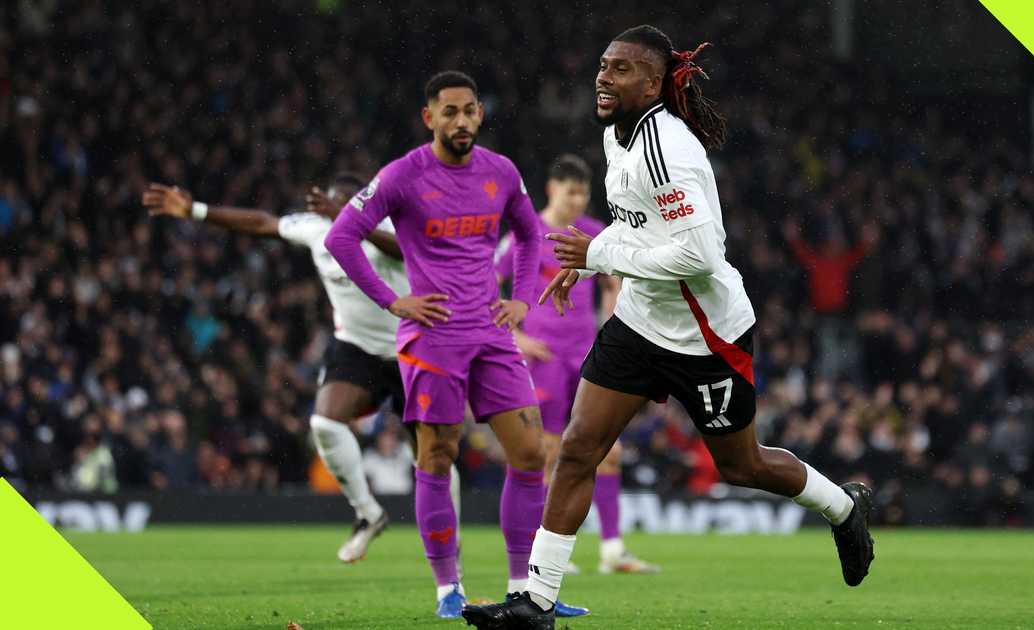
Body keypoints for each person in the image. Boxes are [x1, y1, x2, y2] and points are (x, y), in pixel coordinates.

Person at [462, 25, 874, 629]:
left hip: (706, 335)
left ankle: (844, 508)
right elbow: (638, 228)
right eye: (603, 65)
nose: (604, 76)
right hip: (639, 319)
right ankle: (537, 601)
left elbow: (700, 255)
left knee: (741, 465)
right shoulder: (615, 136)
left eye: (621, 69)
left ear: (653, 83)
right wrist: (597, 255)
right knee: (578, 448)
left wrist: (598, 257)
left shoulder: (669, 151)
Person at [324, 71, 588, 619]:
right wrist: (392, 301)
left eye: (469, 110)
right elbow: (340, 236)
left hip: (491, 333)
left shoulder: (501, 171)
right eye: (450, 112)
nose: (462, 120)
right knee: (437, 457)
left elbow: (529, 232)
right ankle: (449, 588)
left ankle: (528, 588)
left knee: (530, 455)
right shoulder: (401, 176)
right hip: (432, 338)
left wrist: (521, 299)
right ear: (430, 118)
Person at [141, 173, 462, 564]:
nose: (332, 213)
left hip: (412, 348)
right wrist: (195, 210)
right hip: (356, 347)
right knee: (324, 424)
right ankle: (368, 514)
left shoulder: (392, 226)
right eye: (329, 206)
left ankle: (450, 547)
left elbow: (413, 251)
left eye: (345, 205)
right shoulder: (317, 229)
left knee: (432, 458)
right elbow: (262, 223)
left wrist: (351, 219)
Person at [496, 154, 657, 575]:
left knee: (609, 449)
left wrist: (614, 314)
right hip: (543, 356)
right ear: (552, 188)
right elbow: (485, 283)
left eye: (584, 192)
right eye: (572, 191)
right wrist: (515, 336)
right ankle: (540, 551)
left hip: (588, 354)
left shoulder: (592, 232)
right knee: (547, 452)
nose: (579, 200)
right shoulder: (526, 231)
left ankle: (612, 551)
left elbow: (616, 282)